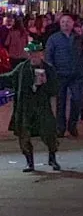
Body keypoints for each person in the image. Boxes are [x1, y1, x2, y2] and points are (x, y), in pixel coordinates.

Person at [0, 40, 60, 172]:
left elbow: (55, 90)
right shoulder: (22, 68)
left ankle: (52, 158)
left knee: (49, 133)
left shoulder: (48, 69)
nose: (34, 56)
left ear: (41, 54)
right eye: (31, 54)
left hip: (42, 107)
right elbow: (9, 78)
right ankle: (29, 162)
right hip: (25, 107)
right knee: (24, 135)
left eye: (36, 53)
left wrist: (45, 83)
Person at [46, 12, 83, 139]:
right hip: (60, 74)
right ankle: (60, 127)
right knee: (60, 102)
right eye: (63, 22)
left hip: (76, 75)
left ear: (73, 23)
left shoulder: (78, 38)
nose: (65, 24)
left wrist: (82, 65)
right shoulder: (54, 38)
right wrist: (51, 71)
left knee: (77, 100)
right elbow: (48, 56)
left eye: (68, 21)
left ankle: (72, 125)